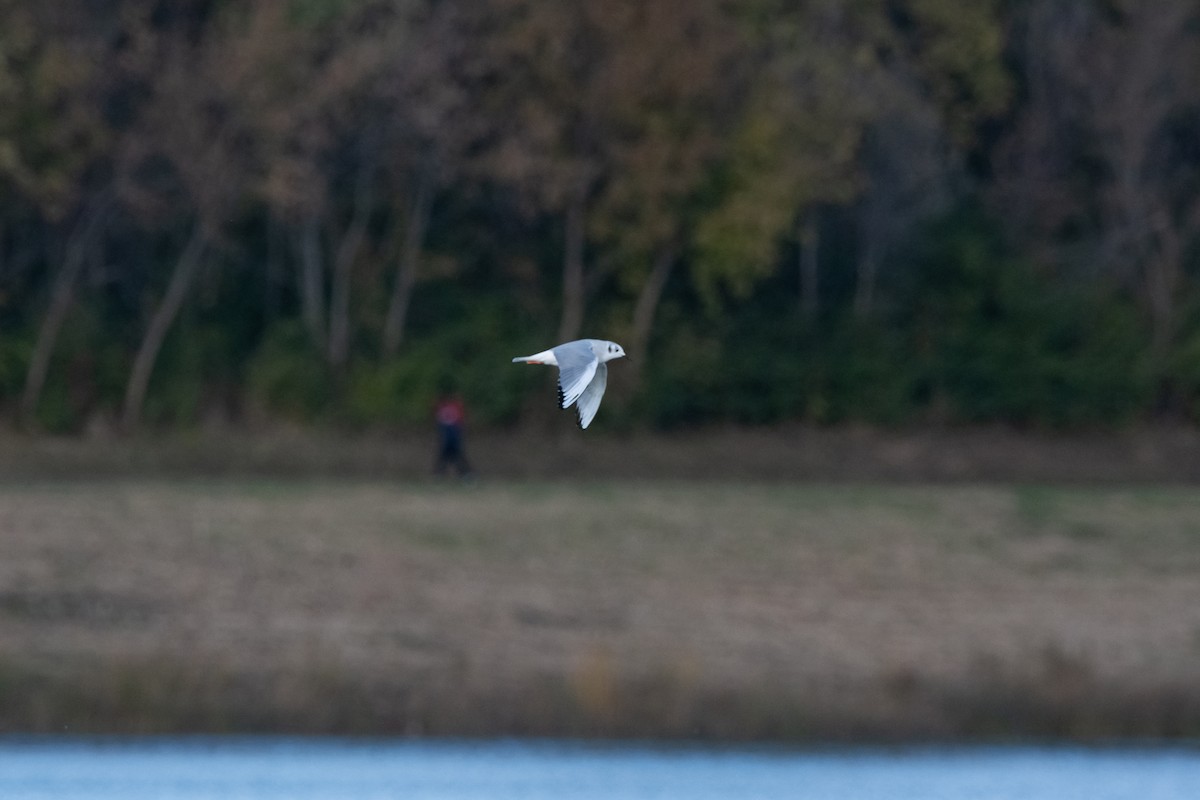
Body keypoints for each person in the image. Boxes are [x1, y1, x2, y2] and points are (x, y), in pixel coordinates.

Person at [433, 390, 472, 478]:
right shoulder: (445, 408)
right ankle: (465, 474)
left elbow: (459, 423)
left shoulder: (453, 407)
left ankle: (440, 474)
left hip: (452, 437)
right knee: (448, 456)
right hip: (448, 437)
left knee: (452, 456)